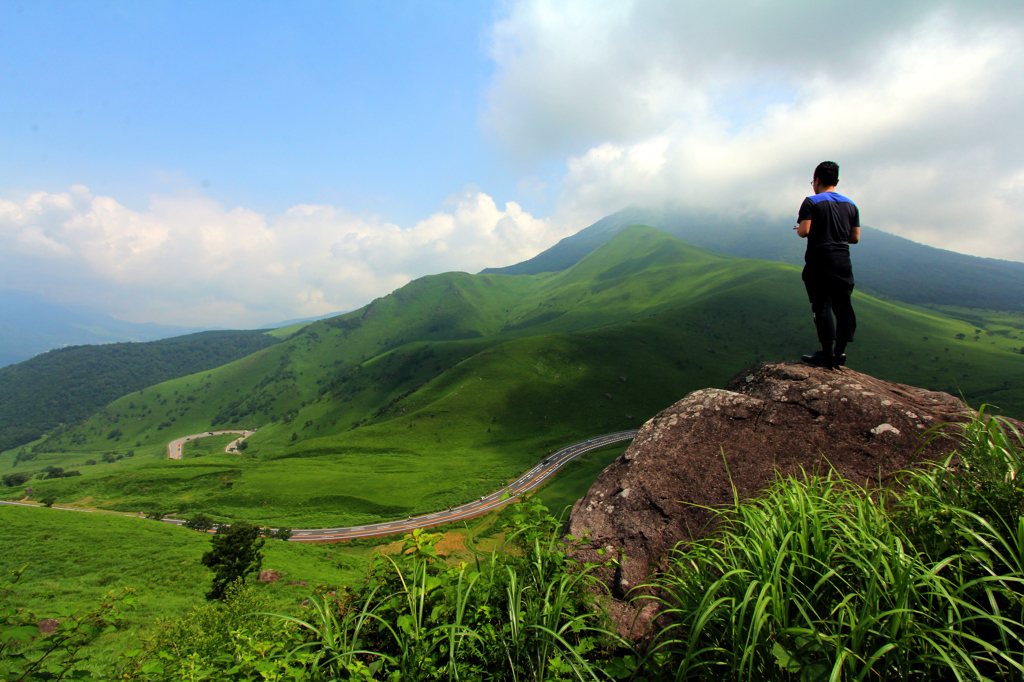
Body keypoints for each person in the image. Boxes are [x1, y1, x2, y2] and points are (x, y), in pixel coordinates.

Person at [794, 161, 860, 369]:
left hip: (820, 259)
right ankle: (840, 352)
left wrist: (802, 228)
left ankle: (826, 352)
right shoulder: (851, 205)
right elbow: (855, 237)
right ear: (837, 181)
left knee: (822, 304)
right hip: (843, 260)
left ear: (817, 181)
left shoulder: (811, 202)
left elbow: (804, 231)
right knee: (843, 305)